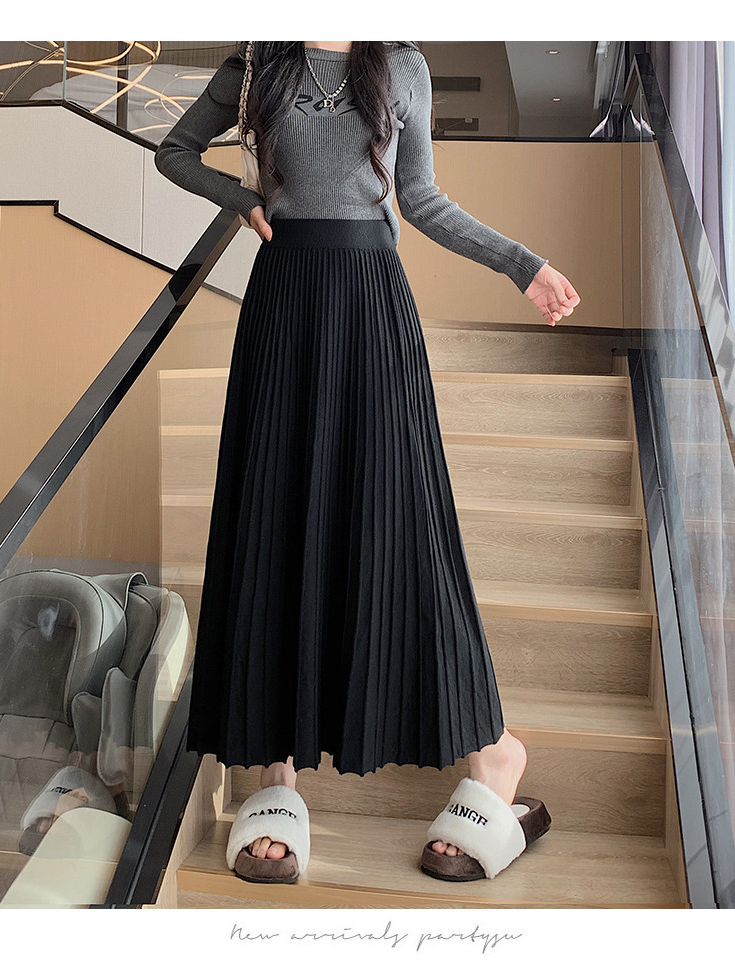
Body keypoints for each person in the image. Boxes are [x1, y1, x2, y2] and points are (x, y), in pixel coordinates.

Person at [155, 40, 580, 885]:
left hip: (374, 310)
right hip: (283, 307)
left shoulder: (404, 67)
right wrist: (243, 200)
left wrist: (521, 264)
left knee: (407, 532)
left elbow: (420, 198)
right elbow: (174, 151)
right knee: (274, 524)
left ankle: (495, 752)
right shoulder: (258, 61)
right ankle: (276, 775)